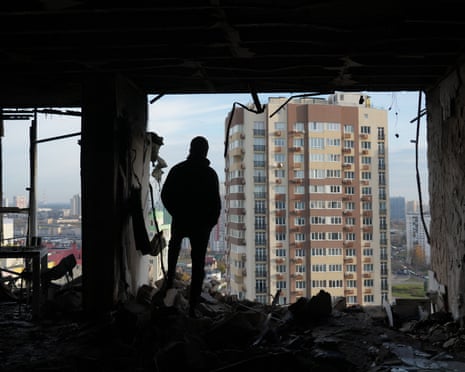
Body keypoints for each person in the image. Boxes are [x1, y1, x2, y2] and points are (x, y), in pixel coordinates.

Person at [160, 136, 221, 317]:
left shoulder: (178, 170)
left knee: (173, 255)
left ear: (190, 149)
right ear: (206, 152)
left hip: (182, 221)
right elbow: (216, 205)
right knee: (197, 266)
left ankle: (168, 290)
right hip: (200, 227)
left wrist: (177, 213)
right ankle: (192, 307)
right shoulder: (210, 175)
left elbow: (165, 195)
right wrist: (208, 224)